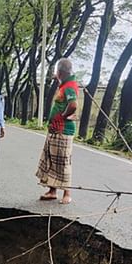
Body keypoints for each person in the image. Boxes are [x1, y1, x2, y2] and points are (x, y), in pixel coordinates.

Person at [37, 57, 78, 204]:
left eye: (56, 72)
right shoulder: (64, 85)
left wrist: (61, 117)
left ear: (60, 72)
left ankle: (67, 193)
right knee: (52, 159)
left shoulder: (69, 87)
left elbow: (73, 105)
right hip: (55, 130)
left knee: (63, 160)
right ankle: (52, 190)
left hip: (63, 130)